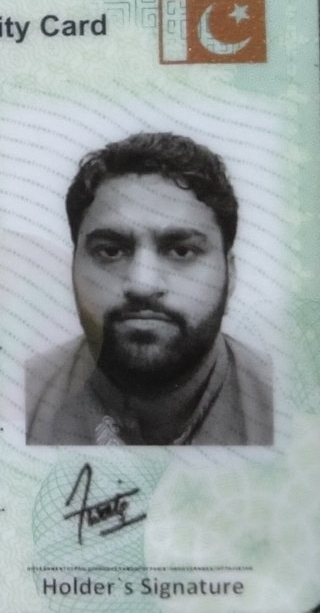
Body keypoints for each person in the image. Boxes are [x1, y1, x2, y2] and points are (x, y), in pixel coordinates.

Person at [26, 133, 272, 446]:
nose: (143, 284)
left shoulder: (293, 411)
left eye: (181, 251)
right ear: (73, 266)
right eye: (111, 251)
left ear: (231, 274)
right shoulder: (13, 400)